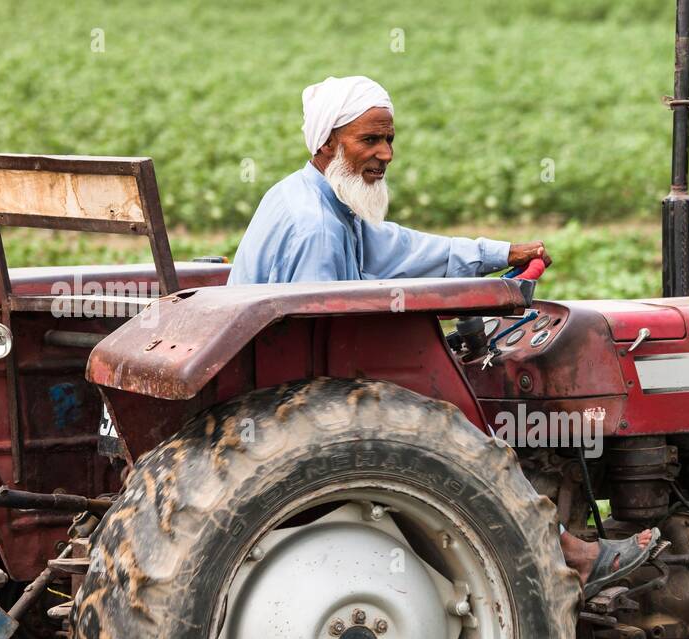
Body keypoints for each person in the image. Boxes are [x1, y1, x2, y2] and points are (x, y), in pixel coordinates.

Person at [230, 74, 658, 592]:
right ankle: (568, 554)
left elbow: (402, 249)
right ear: (327, 141)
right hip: (308, 405)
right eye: (370, 139)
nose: (385, 153)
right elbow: (328, 342)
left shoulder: (313, 198)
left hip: (286, 391)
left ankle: (556, 541)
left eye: (389, 139)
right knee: (465, 435)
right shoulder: (315, 227)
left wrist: (500, 254)